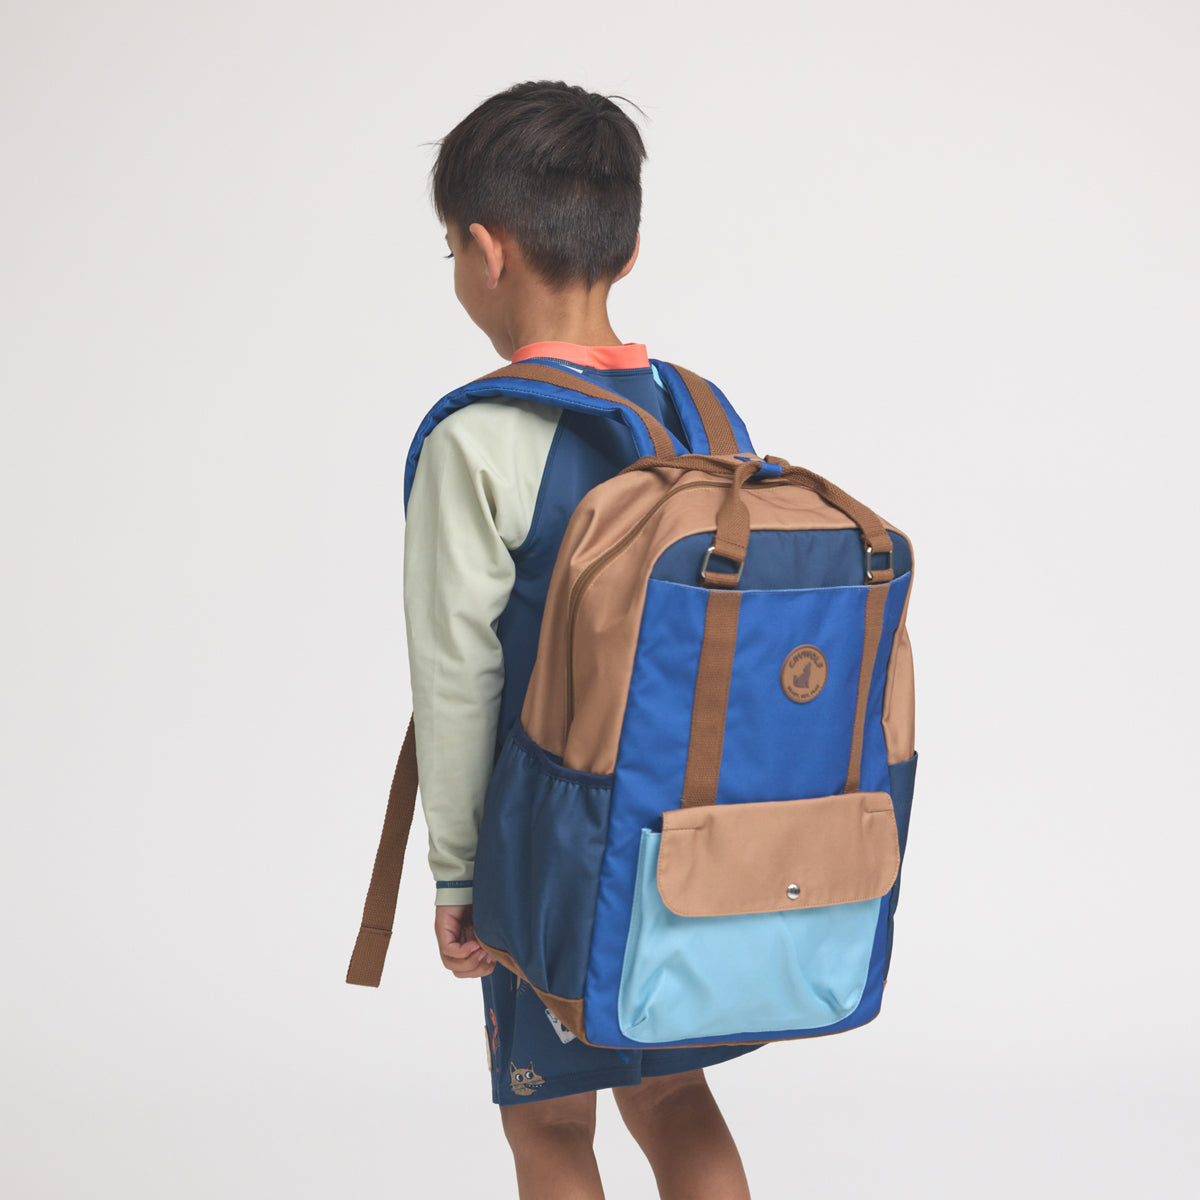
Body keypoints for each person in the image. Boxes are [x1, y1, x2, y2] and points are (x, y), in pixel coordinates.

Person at [403, 80, 759, 1199]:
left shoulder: (478, 438)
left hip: (548, 850)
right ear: (629, 248)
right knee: (675, 1095)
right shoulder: (706, 415)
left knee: (550, 1123)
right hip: (691, 839)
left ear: (484, 250)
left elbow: (456, 675)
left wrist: (459, 875)